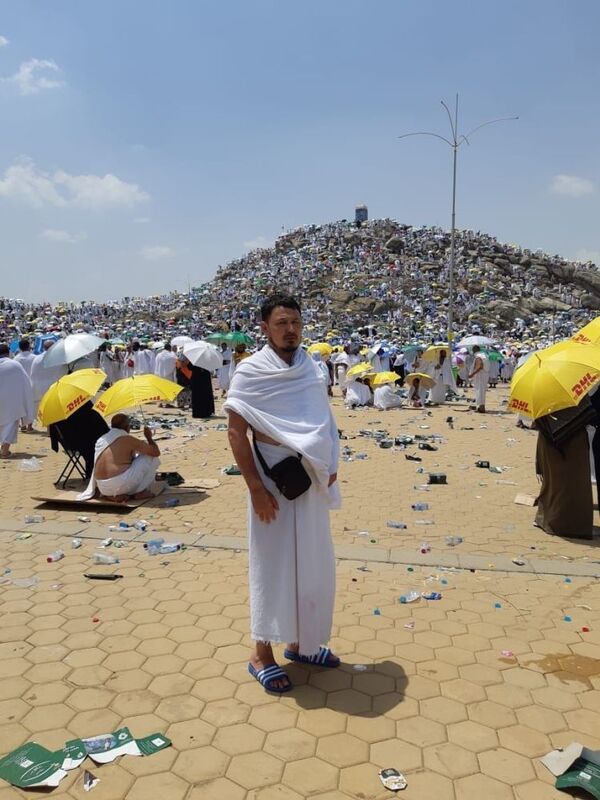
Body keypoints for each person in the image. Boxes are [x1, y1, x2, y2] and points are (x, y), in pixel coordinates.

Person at [224, 294, 340, 694]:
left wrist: (331, 461)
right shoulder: (251, 371)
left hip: (310, 480)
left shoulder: (311, 367)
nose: (290, 330)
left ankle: (301, 645)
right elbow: (237, 432)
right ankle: (261, 654)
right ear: (265, 328)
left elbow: (325, 418)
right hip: (272, 480)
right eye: (281, 323)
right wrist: (255, 488)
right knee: (272, 564)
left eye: (295, 322)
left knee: (310, 562)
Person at [535, 410, 593, 539]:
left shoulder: (542, 398)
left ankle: (553, 519)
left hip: (551, 441)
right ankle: (573, 524)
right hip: (571, 444)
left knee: (556, 484)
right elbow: (588, 414)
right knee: (571, 484)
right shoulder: (578, 394)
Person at [77, 413, 160, 502]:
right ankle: (139, 492)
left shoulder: (101, 439)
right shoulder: (127, 439)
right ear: (127, 427)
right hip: (119, 485)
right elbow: (155, 452)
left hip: (102, 487)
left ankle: (113, 495)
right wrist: (149, 437)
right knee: (151, 457)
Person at [49, 401, 109, 479]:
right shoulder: (83, 403)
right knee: (101, 442)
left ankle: (92, 472)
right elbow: (100, 424)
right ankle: (95, 472)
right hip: (83, 442)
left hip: (68, 442)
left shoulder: (56, 410)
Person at [0, 343, 34, 458]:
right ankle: (4, 450)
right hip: (11, 400)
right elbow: (25, 382)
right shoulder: (14, 364)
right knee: (10, 424)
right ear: (8, 352)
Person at [30, 340, 68, 419]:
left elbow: (33, 374)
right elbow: (63, 373)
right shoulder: (58, 358)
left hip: (37, 388)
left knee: (38, 410)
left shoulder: (37, 358)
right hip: (52, 387)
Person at [14, 339, 35, 431]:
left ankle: (23, 425)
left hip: (19, 384)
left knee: (21, 404)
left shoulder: (16, 359)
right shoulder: (34, 357)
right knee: (30, 405)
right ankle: (30, 426)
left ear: (19, 347)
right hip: (32, 383)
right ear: (29, 346)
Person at [468, 345, 489, 413]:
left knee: (479, 390)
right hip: (484, 375)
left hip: (480, 375)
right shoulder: (484, 355)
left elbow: (479, 366)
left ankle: (481, 407)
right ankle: (481, 406)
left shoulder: (478, 356)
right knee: (482, 391)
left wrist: (472, 374)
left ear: (474, 350)